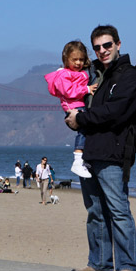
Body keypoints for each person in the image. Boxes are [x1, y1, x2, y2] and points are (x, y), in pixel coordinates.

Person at [66, 25, 136, 271]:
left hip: (114, 153)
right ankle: (99, 263)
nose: (102, 51)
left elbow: (115, 112)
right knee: (95, 211)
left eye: (107, 45)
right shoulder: (94, 75)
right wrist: (74, 114)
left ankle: (128, 267)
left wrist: (81, 118)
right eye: (97, 47)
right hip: (89, 153)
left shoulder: (129, 76)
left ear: (118, 44)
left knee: (119, 210)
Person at [46, 41, 98, 178]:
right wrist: (86, 89)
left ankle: (84, 159)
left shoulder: (79, 73)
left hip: (79, 103)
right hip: (73, 106)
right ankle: (77, 160)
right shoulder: (64, 75)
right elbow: (69, 92)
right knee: (84, 129)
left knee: (87, 130)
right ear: (66, 59)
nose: (78, 63)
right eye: (74, 59)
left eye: (81, 59)